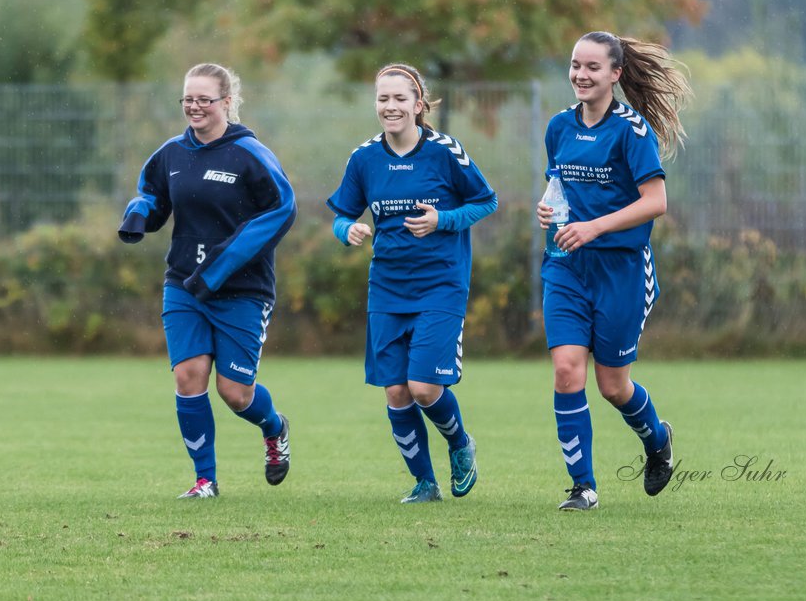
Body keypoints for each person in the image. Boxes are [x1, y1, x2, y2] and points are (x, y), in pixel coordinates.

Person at [118, 63, 297, 499]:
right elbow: (153, 192)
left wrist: (220, 265)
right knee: (188, 376)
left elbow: (281, 209)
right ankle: (205, 480)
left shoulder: (250, 153)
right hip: (184, 284)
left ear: (227, 102)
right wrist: (139, 213)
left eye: (204, 99)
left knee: (235, 393)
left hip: (241, 290)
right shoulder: (171, 154)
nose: (194, 107)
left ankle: (274, 430)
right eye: (188, 99)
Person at [328, 63, 497, 503]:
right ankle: (425, 483)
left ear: (418, 105)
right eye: (383, 99)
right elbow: (342, 215)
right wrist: (348, 230)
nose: (391, 106)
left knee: (424, 388)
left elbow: (486, 200)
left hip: (441, 284)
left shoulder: (444, 151)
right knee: (397, 390)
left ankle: (460, 444)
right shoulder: (364, 158)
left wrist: (444, 219)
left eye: (400, 98)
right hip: (387, 287)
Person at [537, 31, 691, 510]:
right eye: (575, 65)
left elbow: (656, 202)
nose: (581, 75)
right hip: (566, 268)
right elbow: (558, 184)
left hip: (622, 272)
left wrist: (593, 228)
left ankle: (657, 440)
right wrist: (548, 207)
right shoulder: (559, 127)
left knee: (612, 386)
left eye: (592, 68)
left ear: (615, 75)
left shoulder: (631, 130)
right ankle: (583, 487)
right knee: (566, 370)